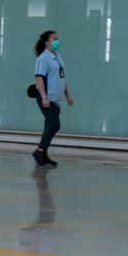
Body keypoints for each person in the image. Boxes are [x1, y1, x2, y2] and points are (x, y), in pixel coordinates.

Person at [33, 30, 72, 167]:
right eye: (54, 39)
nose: (57, 41)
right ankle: (39, 151)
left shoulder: (57, 56)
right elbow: (39, 78)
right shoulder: (43, 58)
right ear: (46, 42)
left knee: (49, 126)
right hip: (46, 97)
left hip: (56, 97)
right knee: (55, 124)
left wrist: (68, 95)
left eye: (57, 38)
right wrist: (44, 97)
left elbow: (62, 77)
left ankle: (43, 154)